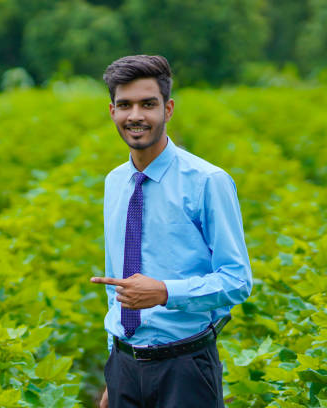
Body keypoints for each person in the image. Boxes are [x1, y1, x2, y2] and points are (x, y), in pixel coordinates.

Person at [90, 55, 252, 407]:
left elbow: (238, 281)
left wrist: (165, 292)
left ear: (169, 109)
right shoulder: (115, 182)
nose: (136, 116)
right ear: (112, 111)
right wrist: (114, 370)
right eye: (125, 105)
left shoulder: (208, 182)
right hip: (124, 367)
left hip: (185, 368)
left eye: (148, 104)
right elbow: (118, 284)